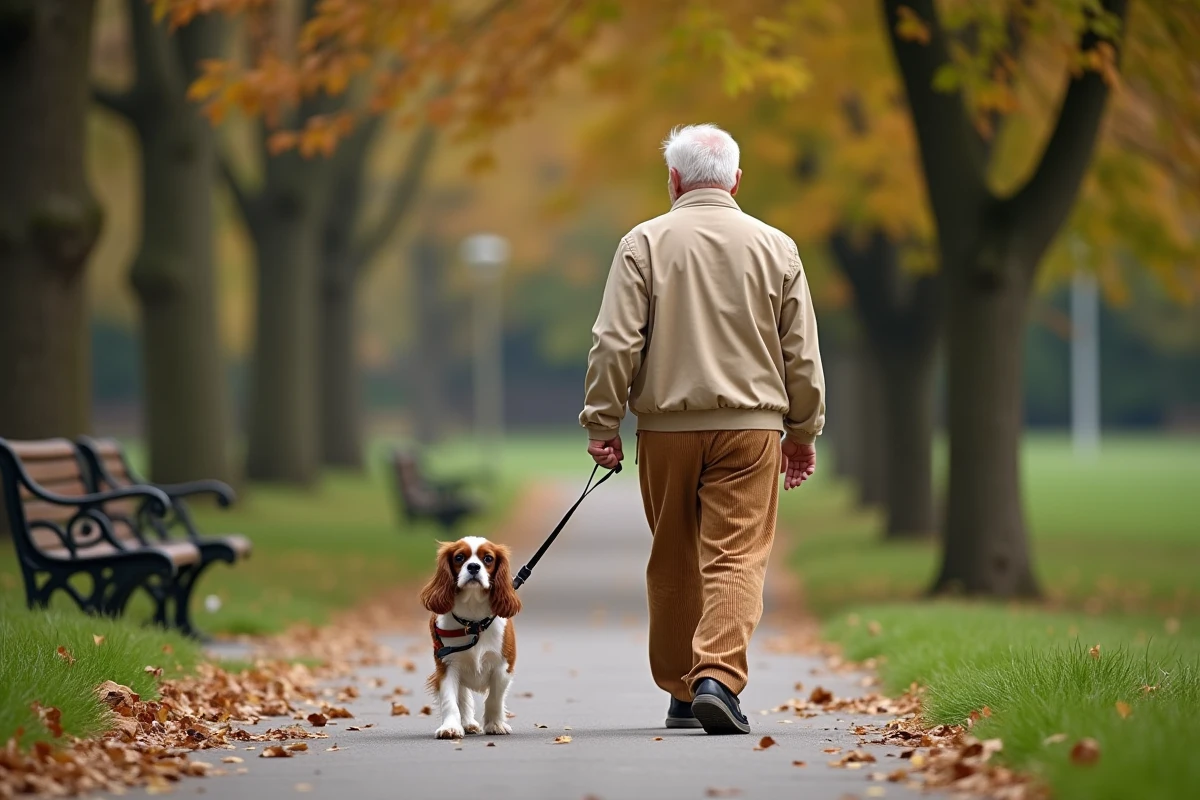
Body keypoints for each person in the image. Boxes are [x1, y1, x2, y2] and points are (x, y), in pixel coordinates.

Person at [578, 123, 826, 735]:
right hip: (751, 429)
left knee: (673, 558)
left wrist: (603, 420)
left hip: (665, 430)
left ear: (675, 180)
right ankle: (717, 675)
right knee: (736, 556)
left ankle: (684, 692)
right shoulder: (778, 247)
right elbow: (802, 353)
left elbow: (614, 342)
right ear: (736, 180)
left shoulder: (644, 243)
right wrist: (803, 430)